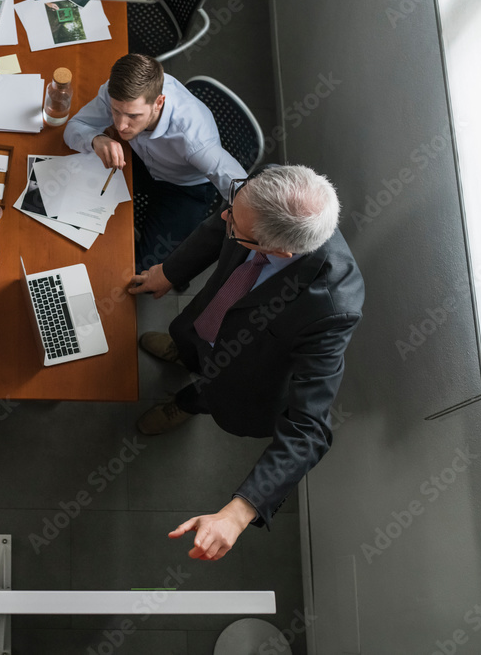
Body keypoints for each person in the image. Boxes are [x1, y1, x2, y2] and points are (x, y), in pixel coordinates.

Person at [127, 165, 364, 561]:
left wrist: (238, 513)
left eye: (237, 226)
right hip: (207, 322)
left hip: (244, 374)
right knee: (190, 342)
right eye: (234, 209)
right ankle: (184, 352)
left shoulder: (332, 307)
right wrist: (169, 272)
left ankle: (186, 402)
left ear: (280, 251)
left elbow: (309, 428)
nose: (225, 218)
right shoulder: (265, 192)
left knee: (213, 387)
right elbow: (214, 227)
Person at [63, 54, 247, 271]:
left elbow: (244, 191)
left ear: (159, 102)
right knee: (71, 188)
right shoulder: (116, 92)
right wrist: (96, 139)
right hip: (141, 160)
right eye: (115, 112)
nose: (121, 126)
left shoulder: (195, 141)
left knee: (144, 270)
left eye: (133, 116)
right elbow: (73, 128)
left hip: (185, 189)